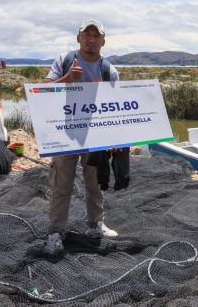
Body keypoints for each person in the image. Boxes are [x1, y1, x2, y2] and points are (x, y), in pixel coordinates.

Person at [44, 19, 119, 254]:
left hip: (96, 136)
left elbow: (119, 108)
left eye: (96, 35)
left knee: (95, 183)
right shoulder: (64, 61)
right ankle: (56, 232)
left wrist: (116, 139)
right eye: (87, 34)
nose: (91, 39)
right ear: (79, 39)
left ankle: (96, 224)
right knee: (61, 186)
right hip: (64, 135)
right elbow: (42, 93)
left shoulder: (109, 70)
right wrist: (67, 80)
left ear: (103, 41)